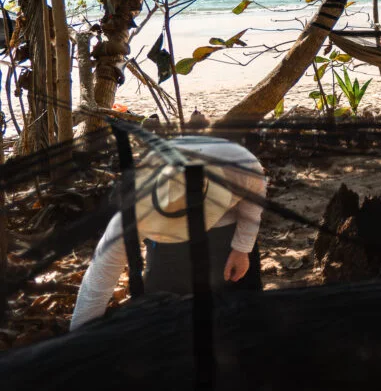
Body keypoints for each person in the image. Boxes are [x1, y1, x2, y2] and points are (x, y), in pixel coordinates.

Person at [70, 136, 266, 330]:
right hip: (167, 242)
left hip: (227, 228)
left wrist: (242, 248)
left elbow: (253, 204)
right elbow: (100, 275)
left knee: (240, 310)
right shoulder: (135, 213)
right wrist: (77, 338)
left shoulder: (242, 166)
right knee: (163, 311)